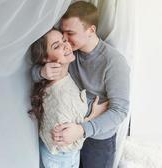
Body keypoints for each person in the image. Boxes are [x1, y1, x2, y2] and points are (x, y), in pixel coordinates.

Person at [31, 1, 130, 168]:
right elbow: (34, 72)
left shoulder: (114, 62)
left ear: (91, 30)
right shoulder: (69, 54)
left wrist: (83, 129)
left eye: (70, 33)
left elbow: (120, 111)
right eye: (63, 34)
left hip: (97, 140)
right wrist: (41, 72)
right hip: (68, 137)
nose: (66, 41)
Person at [29, 29, 108, 168]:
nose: (65, 45)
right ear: (46, 59)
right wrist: (94, 115)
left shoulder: (56, 79)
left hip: (55, 154)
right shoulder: (62, 97)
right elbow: (70, 142)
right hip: (63, 159)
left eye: (64, 40)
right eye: (57, 46)